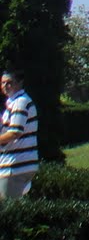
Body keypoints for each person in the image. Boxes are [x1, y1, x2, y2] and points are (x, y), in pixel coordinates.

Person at [0, 69, 38, 199]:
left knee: (8, 212)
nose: (5, 86)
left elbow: (15, 132)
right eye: (3, 83)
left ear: (20, 83)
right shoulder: (12, 103)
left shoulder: (20, 102)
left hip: (16, 166)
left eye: (9, 82)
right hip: (15, 165)